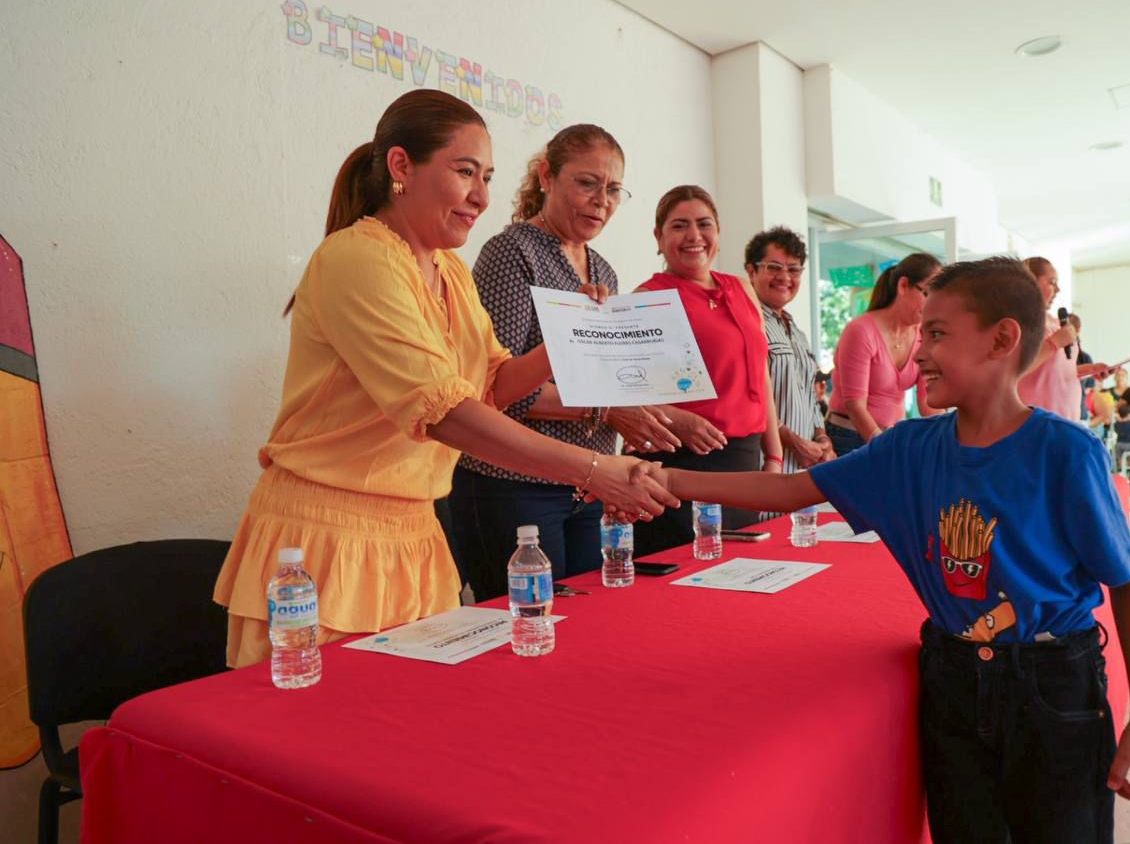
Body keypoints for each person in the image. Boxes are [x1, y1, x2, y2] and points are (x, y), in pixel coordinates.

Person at [636, 256, 1130, 841]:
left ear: (1003, 339)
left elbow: (1127, 581)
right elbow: (790, 490)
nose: (917, 354)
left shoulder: (1066, 453)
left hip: (1054, 687)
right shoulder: (909, 448)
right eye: (920, 334)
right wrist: (667, 480)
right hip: (953, 683)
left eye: (936, 334)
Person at [213, 90, 676, 667]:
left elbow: (495, 383)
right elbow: (447, 412)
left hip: (414, 532)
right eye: (464, 172)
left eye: (486, 176)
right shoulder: (358, 258)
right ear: (401, 166)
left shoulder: (450, 270)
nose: (481, 196)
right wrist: (594, 468)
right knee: (317, 734)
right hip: (328, 539)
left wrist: (573, 333)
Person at [449, 124, 679, 603]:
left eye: (613, 189)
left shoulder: (603, 269)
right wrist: (608, 411)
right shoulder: (512, 253)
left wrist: (643, 412)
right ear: (547, 177)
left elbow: (601, 378)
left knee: (588, 630)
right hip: (512, 485)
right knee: (529, 630)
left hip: (585, 488)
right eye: (587, 182)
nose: (602, 200)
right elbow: (495, 391)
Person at [630, 185, 785, 556]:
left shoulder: (742, 288)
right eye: (679, 226)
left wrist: (774, 457)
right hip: (681, 463)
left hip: (744, 462)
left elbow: (759, 373)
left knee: (743, 576)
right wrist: (676, 420)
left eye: (704, 224)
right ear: (658, 236)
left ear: (718, 231)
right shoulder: (646, 299)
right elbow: (626, 395)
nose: (694, 236)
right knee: (685, 582)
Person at [827, 253, 942, 455]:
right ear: (903, 286)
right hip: (848, 435)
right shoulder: (861, 331)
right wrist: (883, 447)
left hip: (889, 435)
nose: (932, 305)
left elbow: (928, 403)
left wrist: (950, 431)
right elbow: (855, 405)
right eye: (927, 294)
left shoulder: (921, 336)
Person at [745, 226, 834, 472]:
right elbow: (749, 397)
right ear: (751, 271)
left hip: (803, 466)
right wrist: (793, 441)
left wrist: (822, 438)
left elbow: (810, 397)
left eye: (794, 269)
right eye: (773, 267)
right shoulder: (745, 323)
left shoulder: (797, 332)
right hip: (765, 465)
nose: (785, 277)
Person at [1018, 257, 1111, 420]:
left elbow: (1052, 372)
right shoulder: (1019, 321)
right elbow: (1015, 369)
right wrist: (1054, 343)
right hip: (1038, 423)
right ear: (1030, 282)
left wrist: (1088, 370)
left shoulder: (1054, 322)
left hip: (1067, 420)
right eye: (1052, 282)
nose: (1058, 289)